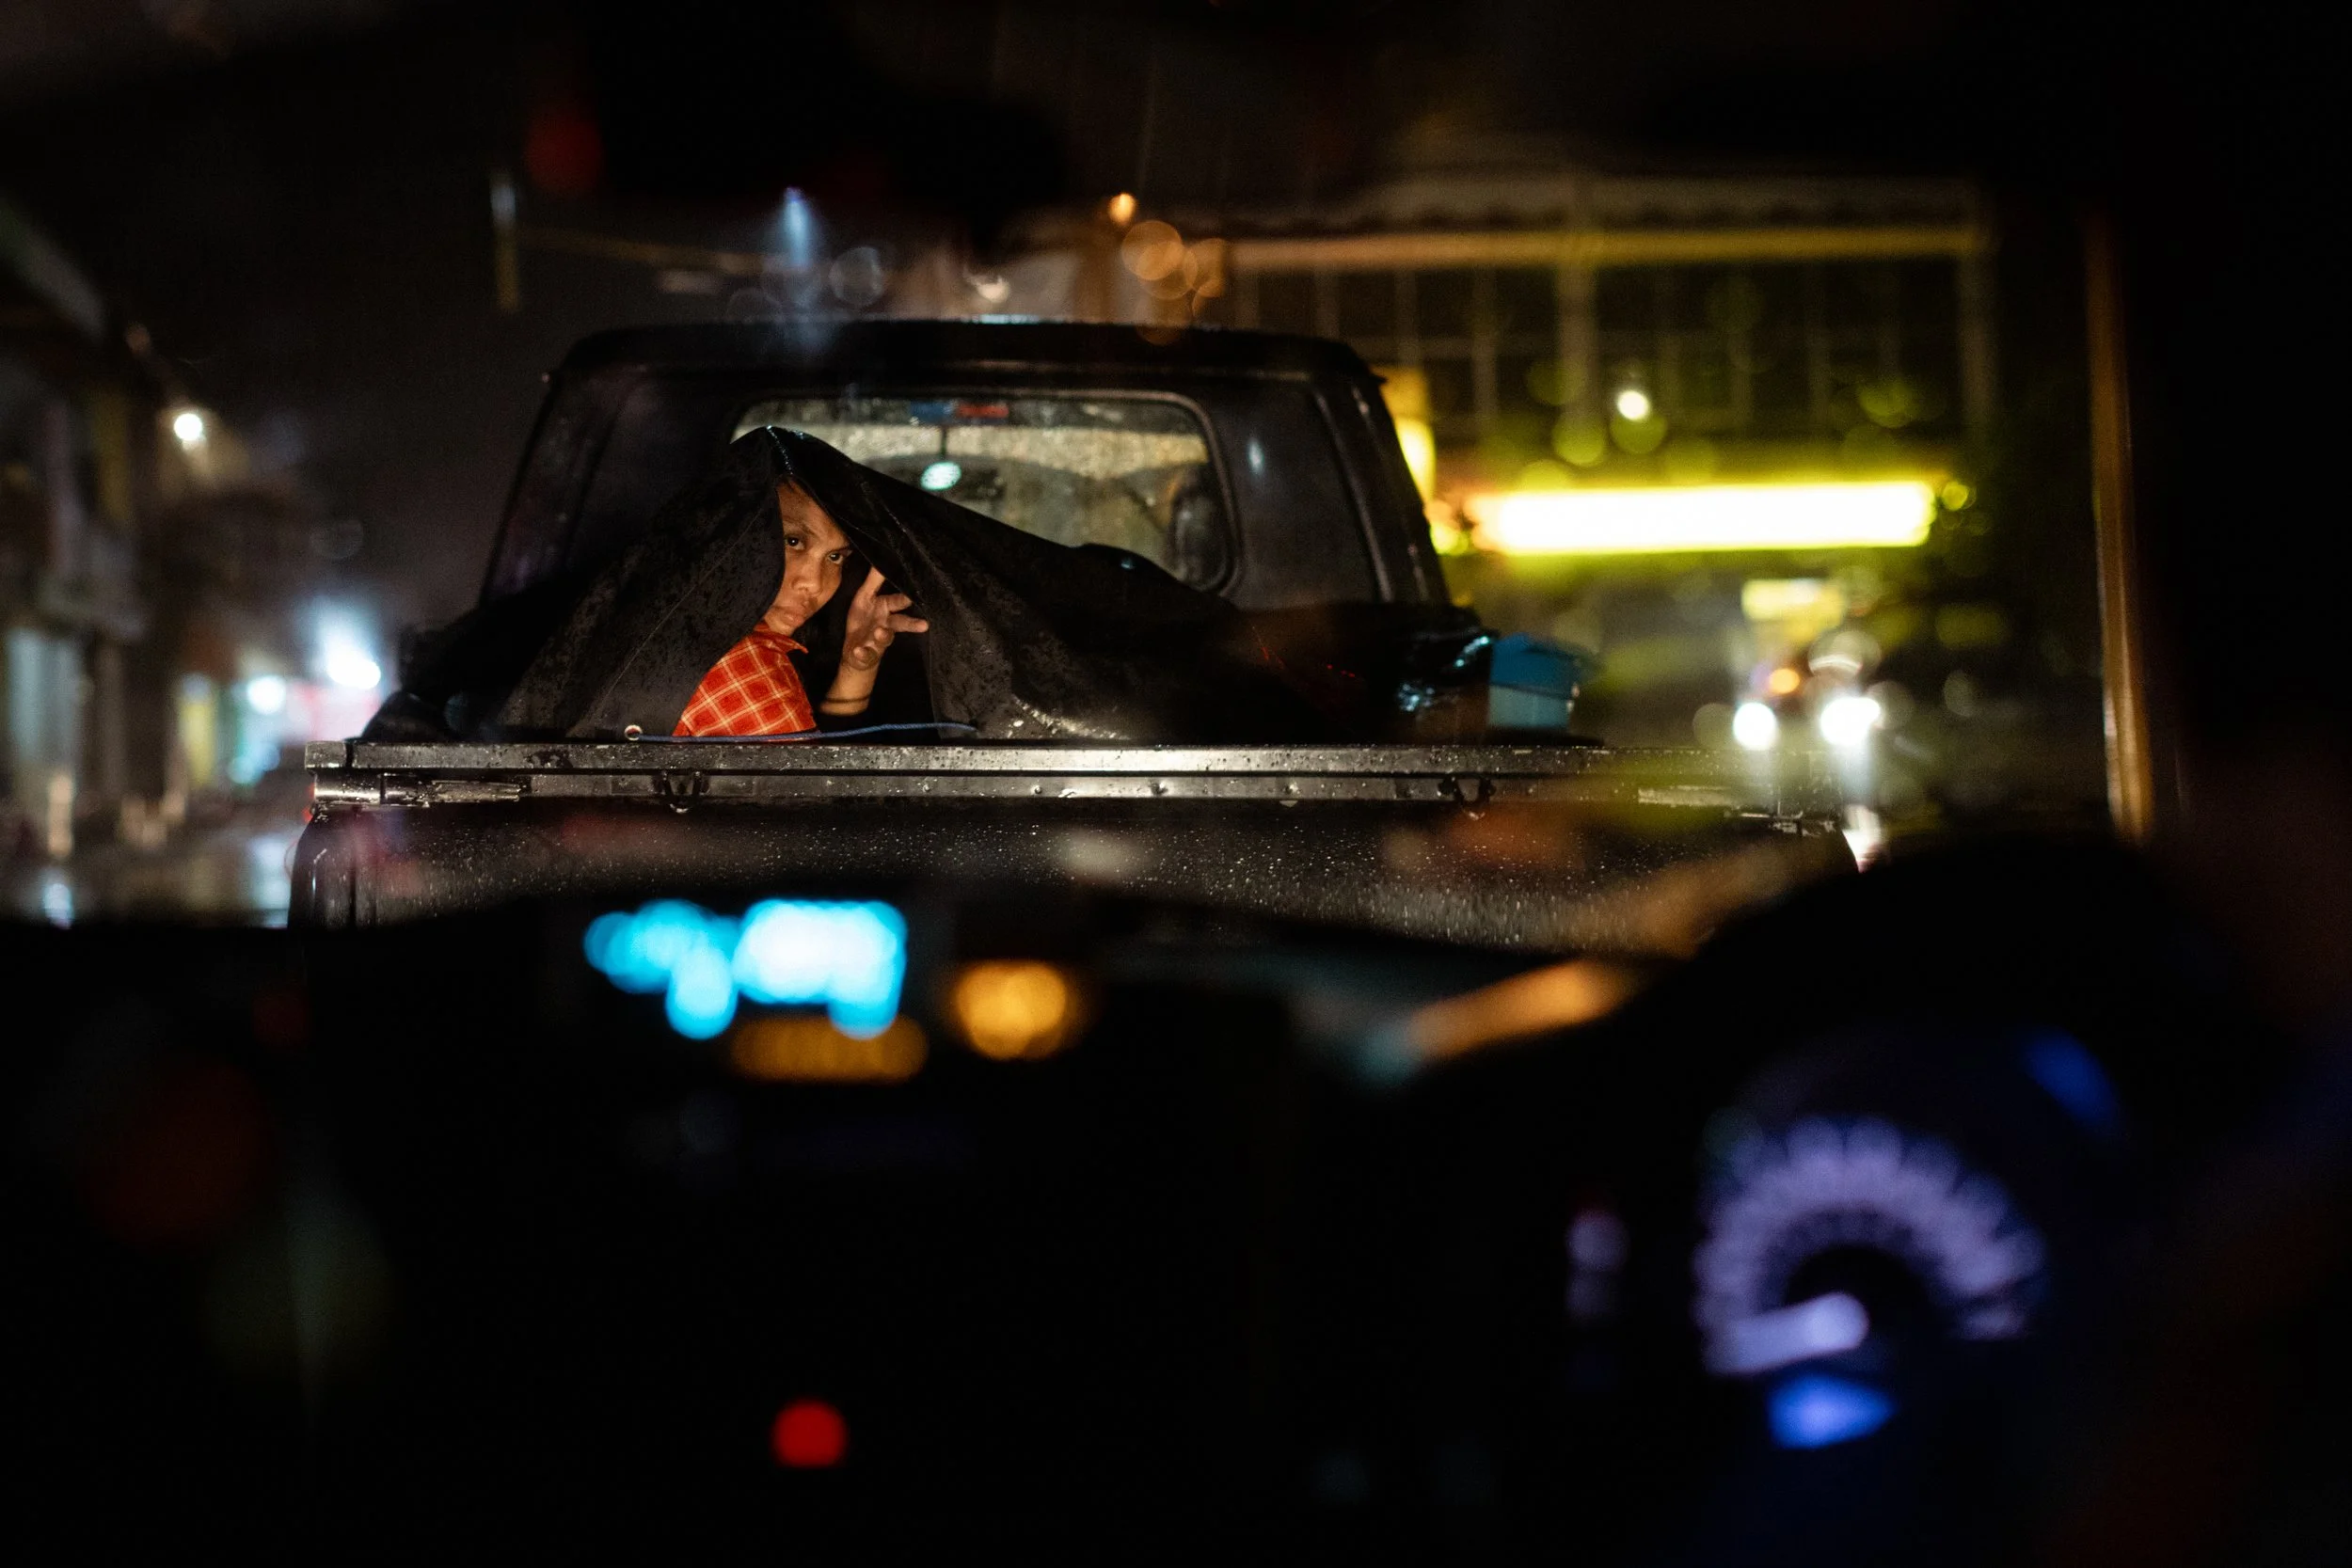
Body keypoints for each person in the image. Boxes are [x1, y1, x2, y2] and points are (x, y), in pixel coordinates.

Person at [673, 480, 929, 736]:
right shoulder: (737, 657)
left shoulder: (689, 632)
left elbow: (814, 765)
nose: (814, 584)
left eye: (835, 557)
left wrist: (856, 670)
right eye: (792, 541)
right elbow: (824, 776)